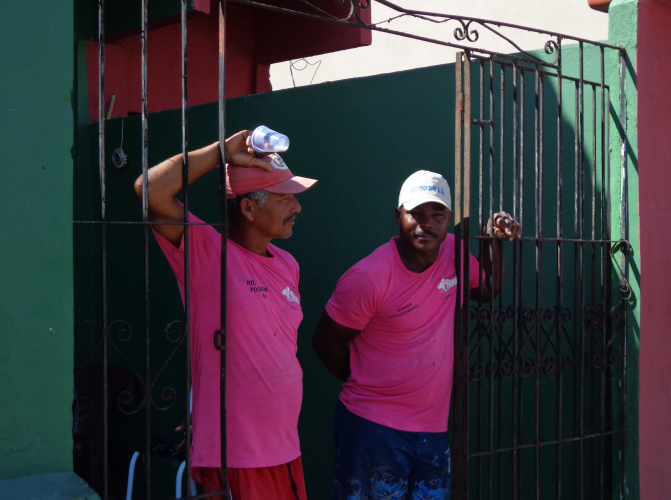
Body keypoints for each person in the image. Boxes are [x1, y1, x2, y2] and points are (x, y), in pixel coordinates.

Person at [312, 170, 521, 500]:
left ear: (449, 219)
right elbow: (325, 343)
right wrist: (371, 382)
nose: (427, 224)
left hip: (433, 430)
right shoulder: (368, 278)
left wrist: (492, 239)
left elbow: (488, 288)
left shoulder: (453, 253)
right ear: (399, 216)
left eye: (438, 214)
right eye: (416, 213)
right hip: (372, 426)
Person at [134, 130, 317, 500]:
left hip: (284, 446)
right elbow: (149, 190)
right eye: (284, 198)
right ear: (248, 208)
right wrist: (224, 151)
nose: (297, 207)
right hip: (238, 454)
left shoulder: (288, 264)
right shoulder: (206, 252)